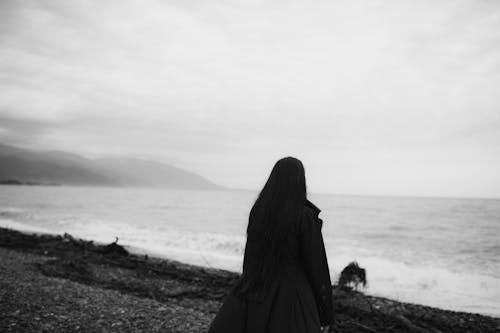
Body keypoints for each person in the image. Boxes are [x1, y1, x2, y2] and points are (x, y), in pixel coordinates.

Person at [208, 157, 334, 333]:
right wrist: (325, 312)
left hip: (257, 287)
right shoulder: (304, 216)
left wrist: (246, 287)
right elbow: (317, 267)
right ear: (300, 180)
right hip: (293, 297)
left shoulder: (259, 210)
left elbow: (250, 255)